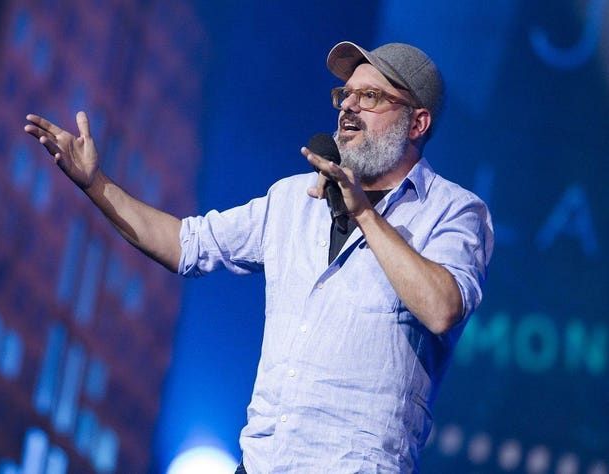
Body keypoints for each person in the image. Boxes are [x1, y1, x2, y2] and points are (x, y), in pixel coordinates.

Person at [25, 41, 493, 473]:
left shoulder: (454, 211)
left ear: (417, 122)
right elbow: (186, 244)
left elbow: (442, 307)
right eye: (345, 95)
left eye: (370, 97)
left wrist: (365, 215)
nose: (348, 107)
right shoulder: (293, 200)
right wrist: (96, 184)